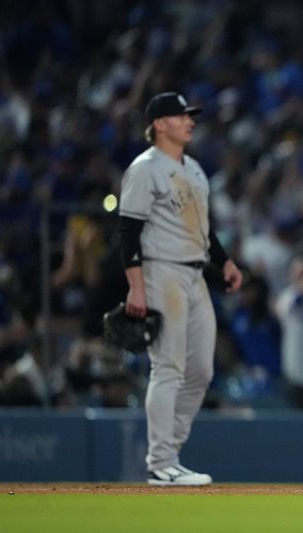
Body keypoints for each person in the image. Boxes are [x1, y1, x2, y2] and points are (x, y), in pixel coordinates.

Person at [118, 92, 243, 486]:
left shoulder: (194, 169)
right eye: (181, 116)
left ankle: (170, 454)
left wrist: (224, 261)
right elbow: (128, 232)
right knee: (168, 366)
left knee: (201, 371)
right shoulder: (145, 168)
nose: (190, 121)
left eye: (190, 115)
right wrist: (135, 288)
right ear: (159, 124)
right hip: (160, 272)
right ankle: (160, 462)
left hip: (194, 272)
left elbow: (203, 228)